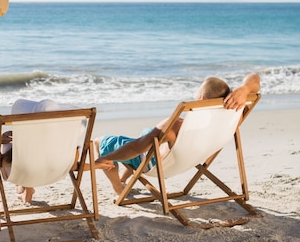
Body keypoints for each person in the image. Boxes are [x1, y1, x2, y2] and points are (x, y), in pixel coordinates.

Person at [95, 73, 261, 195]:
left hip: (154, 163)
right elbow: (255, 78)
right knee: (146, 136)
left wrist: (104, 158)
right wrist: (244, 89)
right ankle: (125, 180)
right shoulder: (233, 116)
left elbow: (136, 148)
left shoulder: (174, 126)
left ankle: (119, 188)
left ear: (201, 98)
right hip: (192, 160)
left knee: (103, 142)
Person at [0, 98, 76, 203]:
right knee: (31, 155)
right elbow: (74, 161)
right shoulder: (62, 139)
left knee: (20, 152)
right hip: (56, 173)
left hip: (21, 173)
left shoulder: (24, 138)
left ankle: (24, 185)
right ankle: (26, 188)